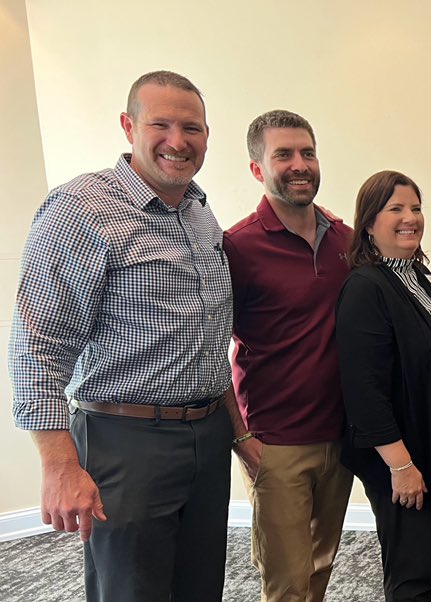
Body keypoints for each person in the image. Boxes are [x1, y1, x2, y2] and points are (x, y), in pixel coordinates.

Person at [8, 70, 233, 601]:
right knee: (133, 590)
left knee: (200, 586)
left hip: (206, 433)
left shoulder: (199, 214)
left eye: (192, 128)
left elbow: (205, 337)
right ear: (128, 126)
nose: (178, 141)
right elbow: (37, 343)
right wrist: (58, 463)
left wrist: (237, 434)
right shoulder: (82, 209)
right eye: (162, 124)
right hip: (125, 442)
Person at [335, 170, 431, 601]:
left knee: (422, 563)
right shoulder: (367, 287)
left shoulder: (419, 278)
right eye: (396, 209)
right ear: (368, 222)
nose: (410, 218)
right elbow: (364, 392)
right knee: (411, 575)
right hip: (403, 457)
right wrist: (401, 468)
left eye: (416, 208)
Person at [223, 110, 355, 602]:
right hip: (275, 442)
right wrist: (241, 439)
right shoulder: (237, 247)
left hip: (340, 437)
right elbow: (209, 350)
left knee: (321, 566)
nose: (299, 165)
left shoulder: (346, 239)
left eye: (307, 153)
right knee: (285, 579)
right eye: (283, 155)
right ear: (258, 168)